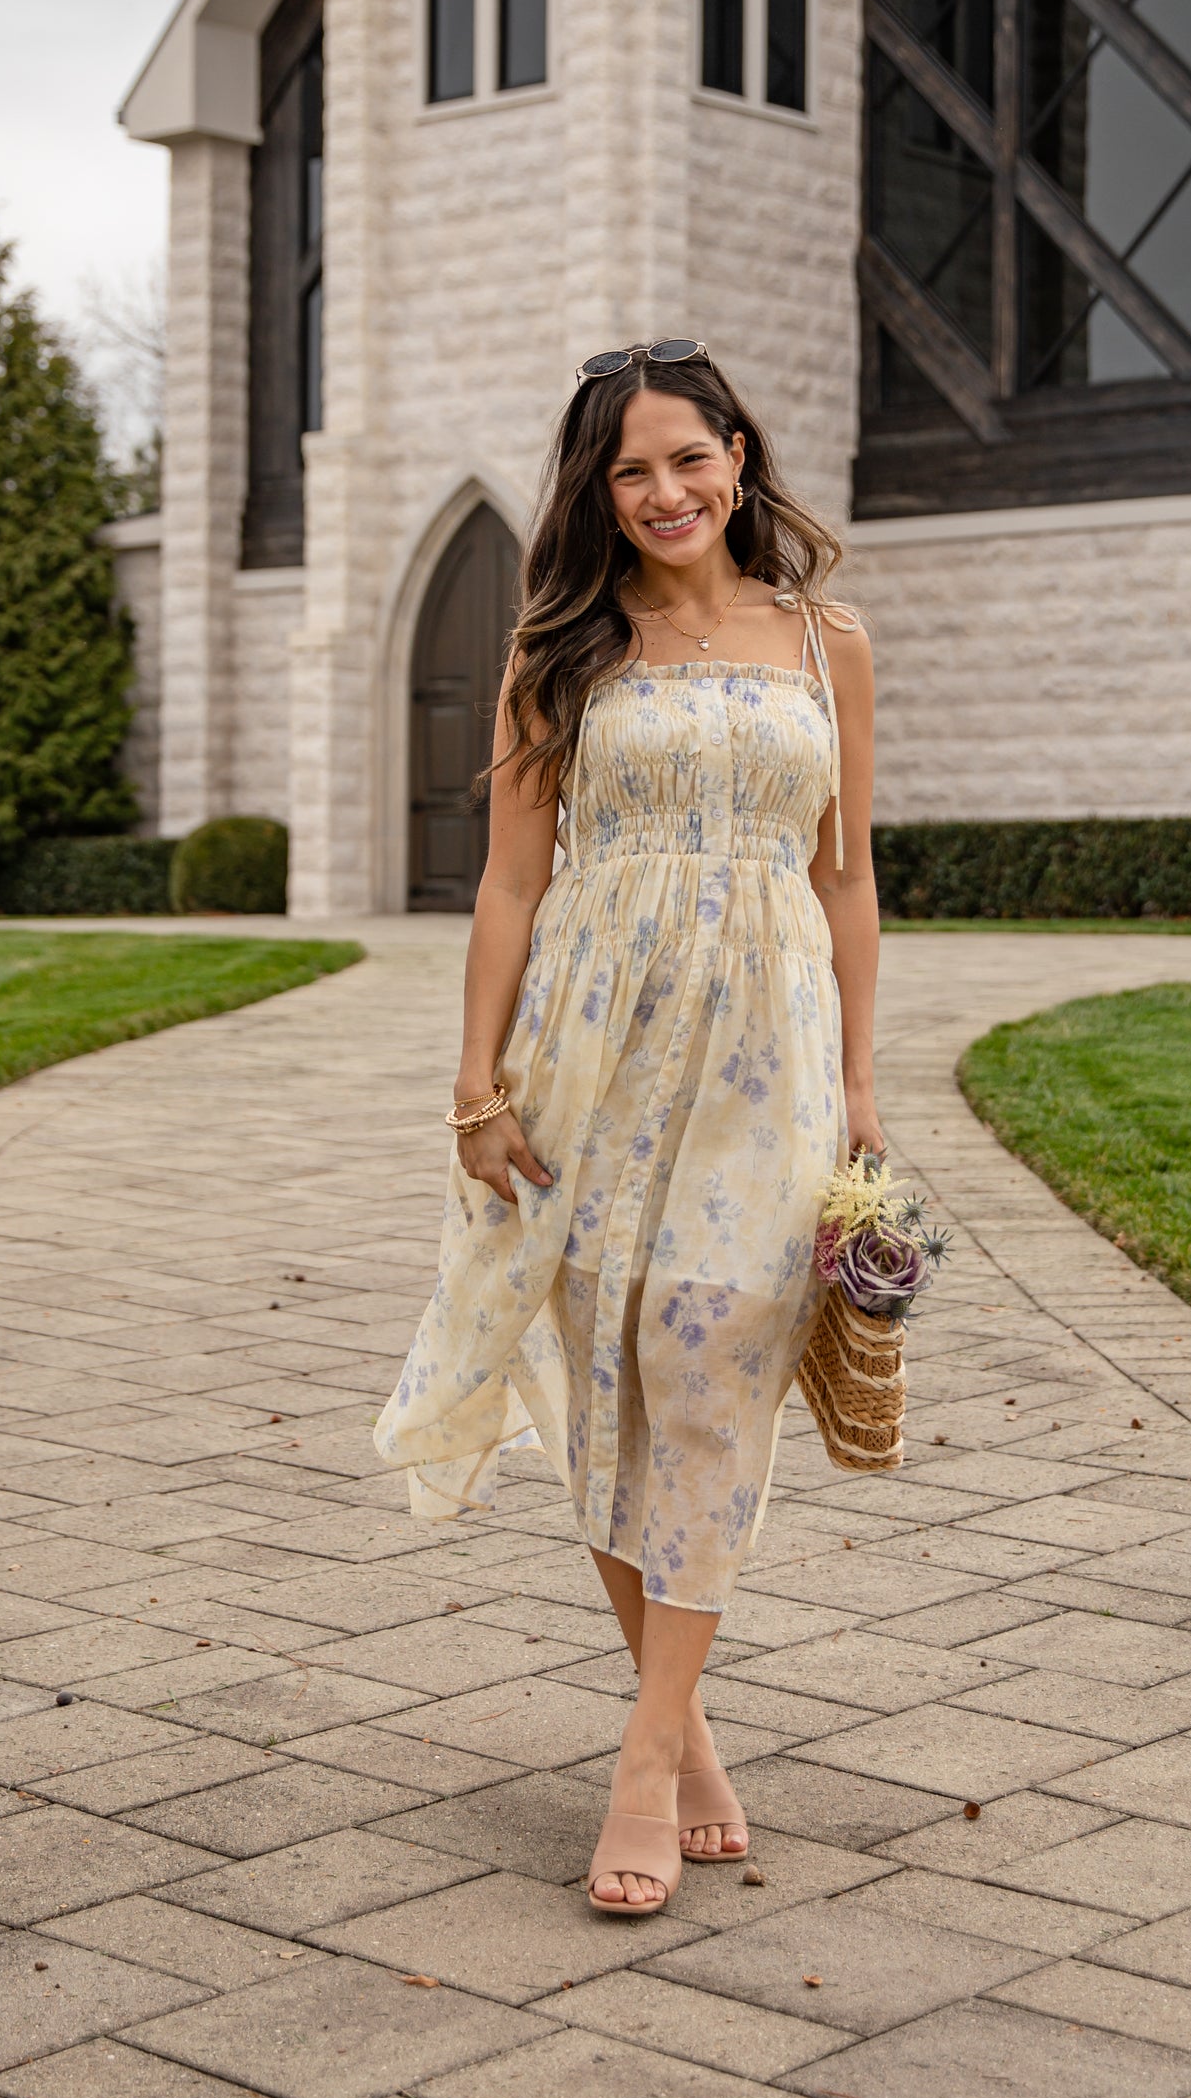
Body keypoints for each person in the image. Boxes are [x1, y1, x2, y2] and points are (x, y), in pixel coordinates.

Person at [374, 339, 883, 1916]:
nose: (666, 492)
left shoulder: (827, 639)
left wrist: (863, 1083)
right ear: (599, 494)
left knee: (715, 1342)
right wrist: (478, 1083)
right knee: (610, 1367)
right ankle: (691, 1730)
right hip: (591, 1042)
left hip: (769, 1046)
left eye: (688, 456)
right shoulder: (563, 651)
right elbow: (512, 881)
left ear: (739, 451)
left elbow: (847, 873)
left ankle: (642, 1760)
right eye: (630, 471)